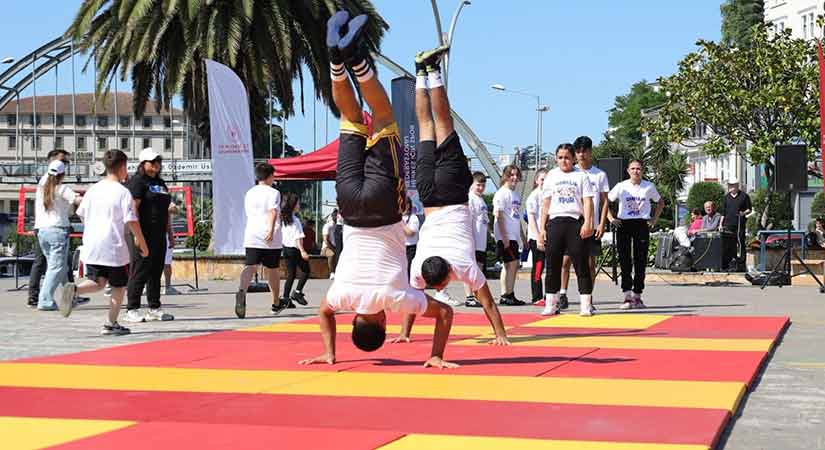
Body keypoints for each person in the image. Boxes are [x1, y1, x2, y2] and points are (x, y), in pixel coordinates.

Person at [300, 12, 457, 368]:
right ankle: (336, 60)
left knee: (383, 116)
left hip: (385, 207)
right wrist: (329, 352)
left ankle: (354, 57)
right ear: (354, 320)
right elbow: (323, 313)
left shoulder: (399, 300)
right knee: (352, 118)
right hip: (350, 209)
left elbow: (445, 313)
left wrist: (435, 356)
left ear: (383, 324)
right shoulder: (341, 297)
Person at [404, 44, 509, 344]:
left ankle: (432, 71)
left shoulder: (463, 265)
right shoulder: (418, 267)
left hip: (451, 192)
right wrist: (404, 331)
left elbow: (488, 303)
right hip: (428, 196)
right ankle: (421, 73)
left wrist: (501, 335)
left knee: (443, 124)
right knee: (426, 126)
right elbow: (412, 303)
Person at [55, 149, 149, 336]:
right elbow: (131, 220)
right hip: (114, 246)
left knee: (98, 282)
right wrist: (142, 242)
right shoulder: (123, 192)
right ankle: (111, 323)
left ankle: (74, 289)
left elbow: (81, 214)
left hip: (92, 244)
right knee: (118, 286)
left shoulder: (93, 190)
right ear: (122, 167)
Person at [537, 144, 595, 316]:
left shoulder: (581, 176)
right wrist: (542, 229)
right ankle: (551, 303)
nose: (564, 161)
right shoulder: (551, 176)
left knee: (581, 264)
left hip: (575, 222)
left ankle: (585, 304)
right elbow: (545, 204)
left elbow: (588, 202)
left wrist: (588, 223)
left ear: (573, 158)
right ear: (556, 158)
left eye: (567, 157)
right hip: (555, 222)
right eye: (560, 157)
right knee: (553, 264)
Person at [123, 148, 175, 323]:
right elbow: (133, 209)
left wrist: (170, 233)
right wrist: (137, 235)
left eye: (158, 162)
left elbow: (165, 210)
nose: (156, 165)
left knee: (155, 271)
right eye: (152, 162)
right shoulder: (137, 182)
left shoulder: (161, 183)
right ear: (143, 164)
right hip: (141, 232)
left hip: (159, 234)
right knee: (140, 270)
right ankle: (132, 308)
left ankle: (154, 307)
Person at [559, 137, 610, 311]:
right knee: (565, 261)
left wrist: (602, 223)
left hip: (592, 225)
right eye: (578, 151)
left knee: (589, 264)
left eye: (584, 151)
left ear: (590, 152)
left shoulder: (599, 175)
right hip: (571, 223)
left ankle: (588, 298)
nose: (581, 155)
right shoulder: (568, 173)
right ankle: (562, 294)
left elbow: (604, 202)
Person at [28, 149, 83, 308]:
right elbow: (78, 200)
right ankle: (45, 300)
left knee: (60, 267)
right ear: (63, 174)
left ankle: (71, 296)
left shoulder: (42, 184)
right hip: (58, 231)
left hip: (42, 231)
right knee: (56, 267)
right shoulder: (62, 188)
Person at [607, 159, 665, 309]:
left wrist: (654, 219)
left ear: (642, 170)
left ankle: (638, 295)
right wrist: (611, 218)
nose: (635, 171)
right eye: (633, 169)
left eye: (638, 169)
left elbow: (660, 202)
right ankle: (627, 296)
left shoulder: (648, 186)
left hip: (641, 223)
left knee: (640, 261)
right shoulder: (621, 186)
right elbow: (605, 201)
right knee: (625, 260)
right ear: (628, 170)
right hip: (624, 224)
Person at [235, 163, 283, 319]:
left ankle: (242, 291)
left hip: (252, 234)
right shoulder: (274, 192)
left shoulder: (249, 193)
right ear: (270, 176)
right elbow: (272, 211)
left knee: (250, 266)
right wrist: (270, 229)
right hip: (270, 236)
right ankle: (275, 303)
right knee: (272, 269)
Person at [493, 164, 524, 305]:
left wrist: (522, 237)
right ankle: (506, 294)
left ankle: (509, 293)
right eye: (511, 175)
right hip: (505, 234)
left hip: (514, 234)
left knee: (512, 264)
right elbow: (498, 215)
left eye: (516, 175)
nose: (515, 178)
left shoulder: (515, 194)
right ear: (505, 176)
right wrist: (504, 237)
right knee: (510, 264)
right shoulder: (501, 193)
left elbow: (516, 217)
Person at [281, 192, 311, 308]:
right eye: (297, 204)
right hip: (295, 249)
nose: (299, 206)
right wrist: (303, 251)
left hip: (286, 249)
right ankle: (297, 293)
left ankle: (286, 298)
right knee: (306, 270)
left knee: (291, 274)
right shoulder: (295, 220)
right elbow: (298, 237)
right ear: (293, 205)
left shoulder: (283, 219)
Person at [464, 171, 489, 307]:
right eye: (478, 185)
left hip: (481, 241)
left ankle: (475, 294)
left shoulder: (481, 199)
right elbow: (468, 219)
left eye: (483, 185)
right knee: (471, 268)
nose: (481, 188)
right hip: (473, 239)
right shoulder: (471, 198)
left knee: (478, 268)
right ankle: (469, 296)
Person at [525, 168, 548, 304]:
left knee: (550, 267)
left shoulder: (549, 195)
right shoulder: (533, 197)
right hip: (536, 237)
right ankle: (537, 296)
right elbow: (531, 219)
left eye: (547, 179)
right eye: (542, 179)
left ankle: (549, 295)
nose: (544, 182)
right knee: (538, 266)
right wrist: (539, 236)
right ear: (536, 180)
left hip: (549, 235)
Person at [720, 178, 752, 270]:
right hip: (728, 224)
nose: (731, 187)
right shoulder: (726, 197)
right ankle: (729, 263)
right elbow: (723, 212)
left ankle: (741, 264)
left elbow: (749, 209)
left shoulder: (744, 196)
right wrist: (720, 224)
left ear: (737, 186)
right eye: (730, 185)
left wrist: (743, 213)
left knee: (740, 242)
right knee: (729, 244)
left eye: (733, 185)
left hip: (739, 223)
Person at [163, 202, 180, 295]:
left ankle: (168, 287)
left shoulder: (164, 197)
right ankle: (146, 287)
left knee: (167, 262)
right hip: (151, 234)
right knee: (148, 263)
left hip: (166, 234)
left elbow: (175, 210)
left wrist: (162, 208)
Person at [401, 197, 420, 279]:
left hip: (410, 248)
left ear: (408, 205)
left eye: (404, 204)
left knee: (409, 269)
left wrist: (400, 223)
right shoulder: (398, 218)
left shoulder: (413, 218)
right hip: (400, 246)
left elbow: (410, 233)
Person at [321, 209, 338, 279]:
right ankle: (332, 273)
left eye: (337, 215)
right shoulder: (327, 226)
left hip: (336, 247)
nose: (337, 217)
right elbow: (326, 240)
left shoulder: (338, 226)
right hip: (326, 248)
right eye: (335, 215)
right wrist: (333, 248)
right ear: (332, 216)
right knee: (332, 254)